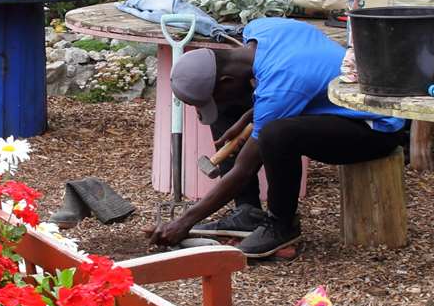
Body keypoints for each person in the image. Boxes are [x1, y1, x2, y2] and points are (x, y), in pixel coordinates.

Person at [151, 17, 407, 259]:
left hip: (375, 127)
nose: (206, 108)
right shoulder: (261, 29)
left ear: (227, 79)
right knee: (230, 110)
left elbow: (243, 169)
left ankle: (281, 224)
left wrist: (184, 222)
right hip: (331, 105)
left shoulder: (280, 86)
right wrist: (250, 115)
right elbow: (298, 83)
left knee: (276, 134)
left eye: (212, 98)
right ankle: (247, 213)